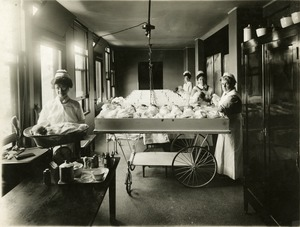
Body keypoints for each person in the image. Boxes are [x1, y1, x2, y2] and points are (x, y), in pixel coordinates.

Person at [37, 69, 85, 164]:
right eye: (57, 88)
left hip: (72, 142)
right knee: (57, 168)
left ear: (68, 87)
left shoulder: (75, 105)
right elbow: (41, 124)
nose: (60, 90)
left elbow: (82, 123)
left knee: (74, 166)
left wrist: (71, 128)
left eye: (63, 87)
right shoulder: (49, 105)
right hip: (54, 143)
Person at [214, 72, 243, 180]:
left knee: (232, 149)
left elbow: (222, 108)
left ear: (232, 84)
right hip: (226, 123)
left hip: (233, 124)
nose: (224, 86)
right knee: (224, 148)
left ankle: (234, 175)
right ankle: (223, 171)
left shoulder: (233, 96)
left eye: (227, 84)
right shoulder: (226, 93)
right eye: (222, 84)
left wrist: (216, 102)